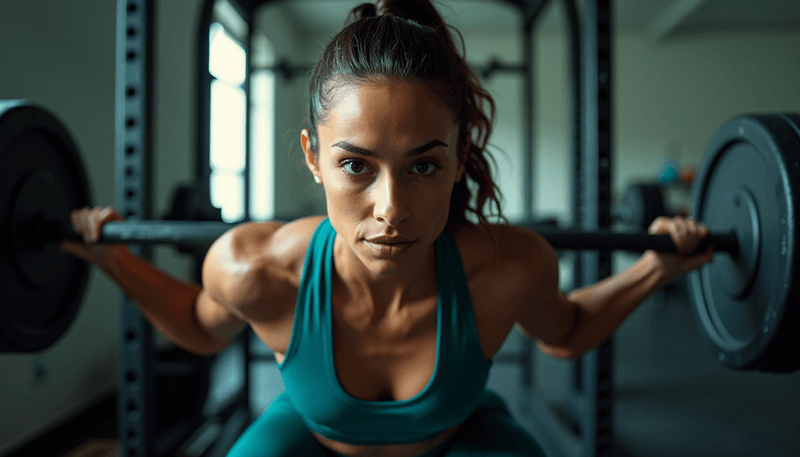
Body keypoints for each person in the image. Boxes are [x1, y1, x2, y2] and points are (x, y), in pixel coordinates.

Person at [60, 1, 714, 456]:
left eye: (424, 164)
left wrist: (658, 266)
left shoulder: (506, 268)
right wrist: (110, 258)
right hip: (310, 436)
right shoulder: (256, 267)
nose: (392, 206)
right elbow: (204, 326)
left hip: (463, 435)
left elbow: (567, 330)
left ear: (459, 159)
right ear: (314, 157)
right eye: (356, 165)